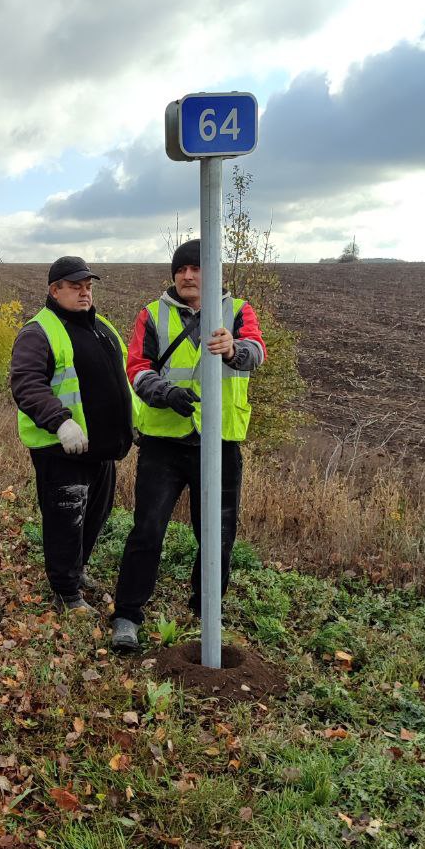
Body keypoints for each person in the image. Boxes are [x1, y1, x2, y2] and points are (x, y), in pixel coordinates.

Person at [111, 238, 266, 650]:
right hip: (164, 443)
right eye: (181, 269)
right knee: (146, 530)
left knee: (218, 534)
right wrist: (165, 393)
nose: (187, 275)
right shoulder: (152, 315)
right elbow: (137, 368)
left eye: (196, 268)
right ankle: (127, 616)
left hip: (220, 444)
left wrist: (234, 350)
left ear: (213, 273)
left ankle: (206, 614)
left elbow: (256, 352)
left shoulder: (237, 311)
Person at [11, 255, 135, 612]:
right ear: (55, 289)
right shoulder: (39, 331)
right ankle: (66, 594)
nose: (85, 293)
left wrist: (133, 423)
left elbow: (122, 380)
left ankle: (76, 571)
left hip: (102, 448)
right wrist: (61, 422)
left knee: (94, 516)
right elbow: (27, 384)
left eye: (89, 286)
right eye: (76, 286)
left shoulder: (102, 327)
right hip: (62, 449)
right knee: (65, 520)